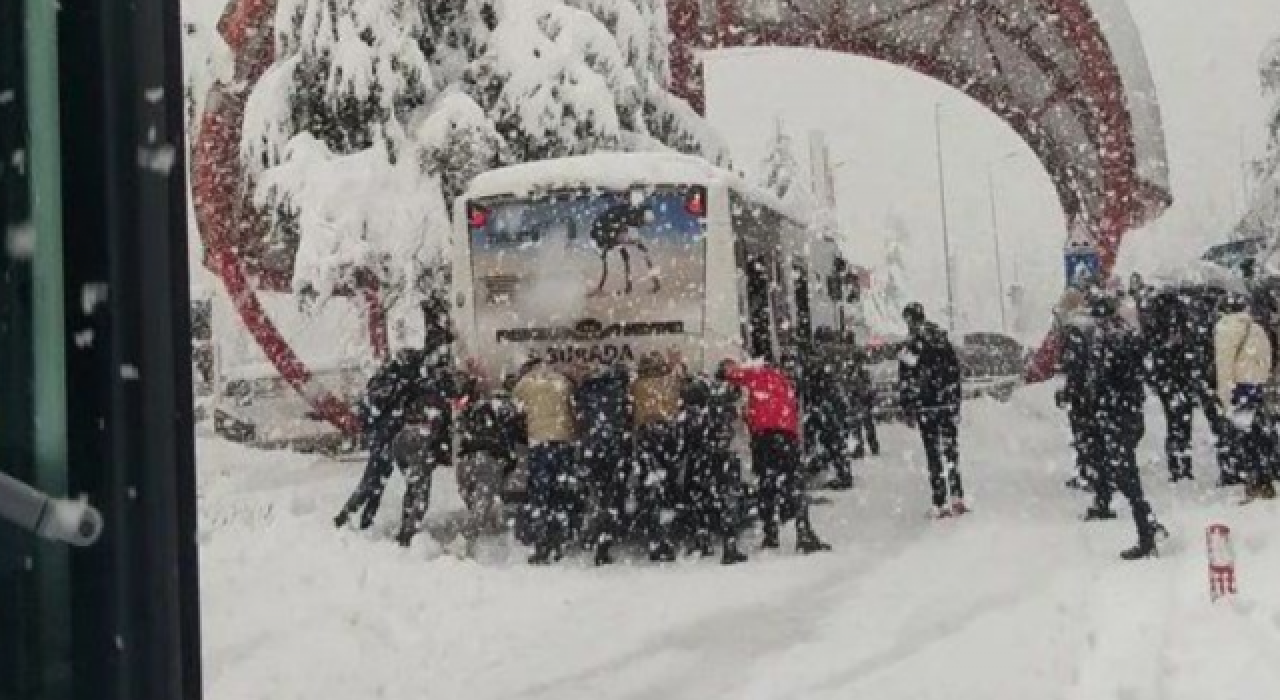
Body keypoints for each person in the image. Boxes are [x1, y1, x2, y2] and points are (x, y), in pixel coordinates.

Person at [1082, 292, 1165, 559]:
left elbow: (1106, 378)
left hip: (1117, 412)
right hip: (1127, 411)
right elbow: (1141, 371)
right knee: (1124, 471)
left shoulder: (1108, 340)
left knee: (1124, 473)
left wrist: (1099, 396)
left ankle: (1147, 531)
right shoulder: (1126, 335)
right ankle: (1148, 525)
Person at [719, 358, 831, 554]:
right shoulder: (785, 383)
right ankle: (803, 531)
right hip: (788, 437)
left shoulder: (757, 374)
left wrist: (724, 373)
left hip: (764, 437)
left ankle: (770, 533)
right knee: (794, 484)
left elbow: (731, 374)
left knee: (766, 484)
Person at [897, 303, 967, 517]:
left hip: (927, 405)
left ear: (909, 319)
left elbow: (906, 378)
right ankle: (957, 497)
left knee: (933, 453)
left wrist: (908, 406)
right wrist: (955, 400)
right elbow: (955, 371)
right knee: (951, 451)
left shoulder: (911, 345)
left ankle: (940, 502)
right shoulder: (942, 339)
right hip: (946, 402)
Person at [678, 373, 749, 565]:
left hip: (698, 461)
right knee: (727, 500)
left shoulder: (690, 415)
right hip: (720, 457)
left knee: (699, 499)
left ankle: (702, 540)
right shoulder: (722, 409)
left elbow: (684, 441)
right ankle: (729, 546)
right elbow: (730, 427)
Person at [511, 358, 577, 564]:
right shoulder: (562, 382)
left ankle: (541, 544)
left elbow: (516, 405)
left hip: (540, 443)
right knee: (560, 492)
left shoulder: (527, 383)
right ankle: (559, 541)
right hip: (563, 442)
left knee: (541, 494)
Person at [1214, 293, 1277, 503]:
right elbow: (1267, 357)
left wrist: (1224, 397)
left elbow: (1223, 366)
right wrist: (1259, 379)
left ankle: (1253, 482)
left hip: (1238, 388)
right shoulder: (1256, 327)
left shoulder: (1225, 328)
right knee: (1259, 435)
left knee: (1244, 439)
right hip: (1255, 387)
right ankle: (1265, 480)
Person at [573, 362, 634, 565]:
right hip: (612, 450)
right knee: (611, 496)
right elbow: (626, 418)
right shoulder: (617, 391)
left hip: (592, 450)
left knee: (596, 495)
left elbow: (580, 416)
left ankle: (594, 534)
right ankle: (605, 541)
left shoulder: (586, 391)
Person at [455, 376, 523, 551]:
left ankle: (477, 530)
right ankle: (462, 543)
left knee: (473, 499)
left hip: (466, 459)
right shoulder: (508, 408)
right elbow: (517, 434)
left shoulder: (476, 406)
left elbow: (460, 423)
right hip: (489, 459)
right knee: (482, 504)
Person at [630, 351, 684, 562]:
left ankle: (653, 538)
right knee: (668, 485)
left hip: (645, 436)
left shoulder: (636, 386)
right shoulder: (670, 383)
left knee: (650, 486)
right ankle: (667, 537)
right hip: (667, 435)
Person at [1056, 314, 1098, 492]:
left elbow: (1074, 368)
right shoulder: (1092, 329)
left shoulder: (1075, 334)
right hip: (1092, 392)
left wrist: (1068, 392)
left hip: (1081, 394)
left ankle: (1087, 473)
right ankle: (1091, 472)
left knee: (1083, 434)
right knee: (1091, 434)